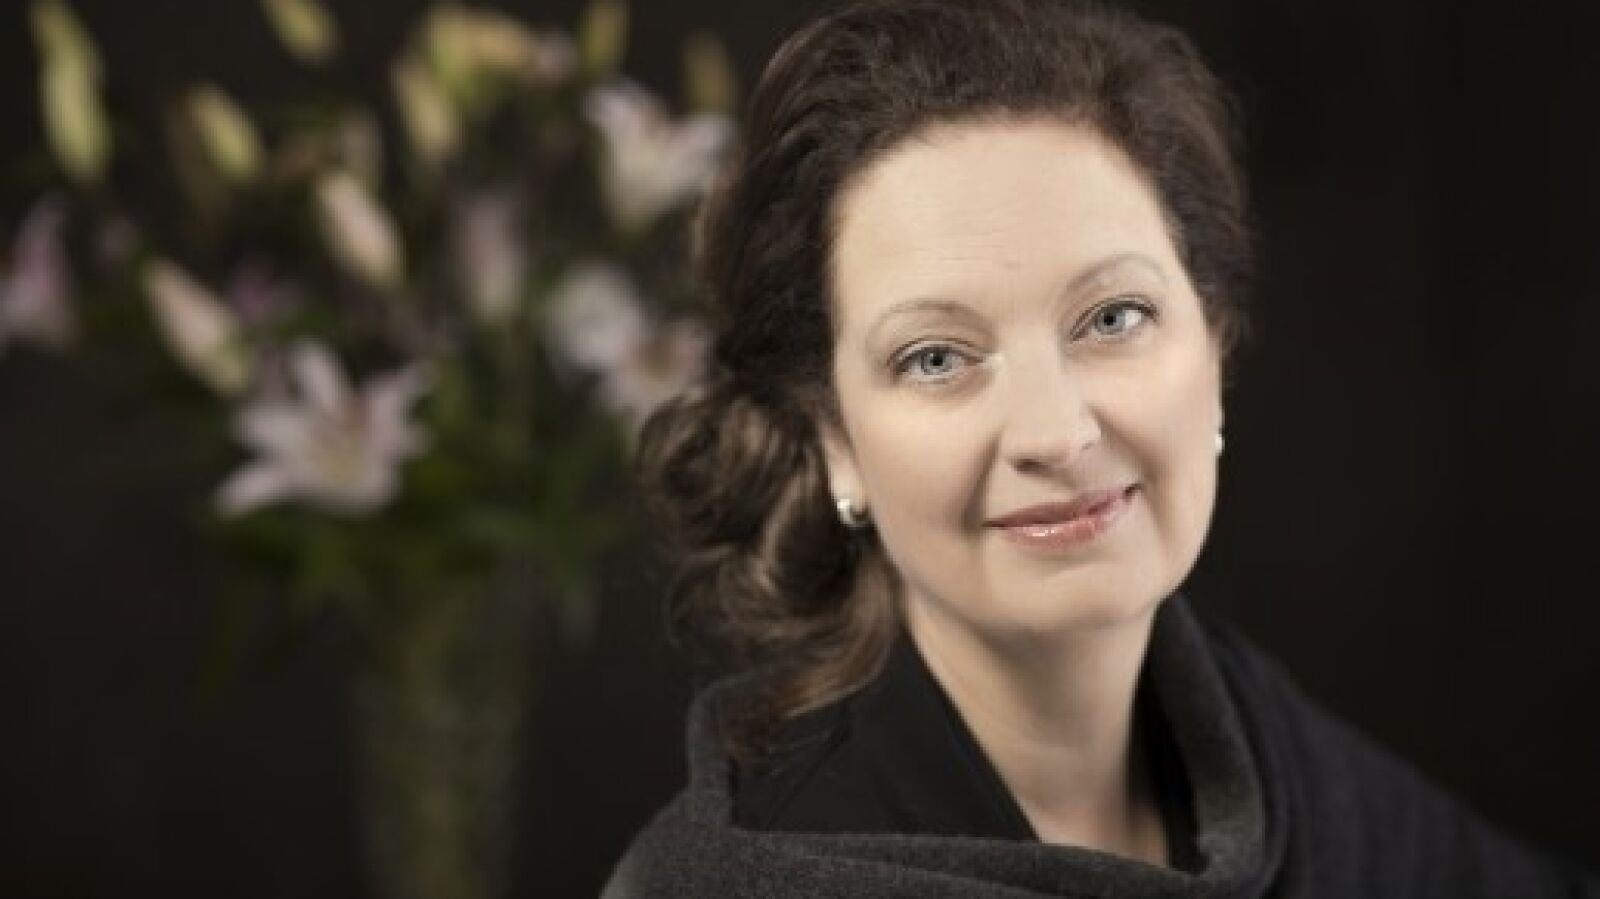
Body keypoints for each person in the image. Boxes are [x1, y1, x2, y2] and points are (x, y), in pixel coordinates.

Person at [605, 0, 1600, 895]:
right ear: (834, 441)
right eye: (936, 356)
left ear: (1215, 347)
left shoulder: (1268, 755)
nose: (1056, 432)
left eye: (1113, 316)